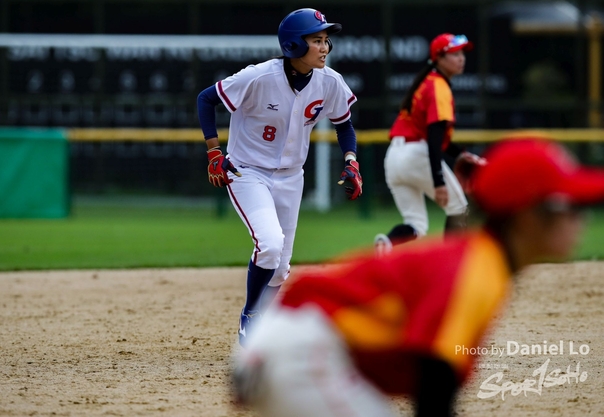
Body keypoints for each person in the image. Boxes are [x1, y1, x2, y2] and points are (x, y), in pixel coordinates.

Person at [232, 137, 604, 417]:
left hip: (298, 348)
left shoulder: (482, 262)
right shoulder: (478, 270)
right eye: (568, 207)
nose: (580, 219)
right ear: (526, 217)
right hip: (303, 356)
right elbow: (435, 379)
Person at [197, 8, 363, 347]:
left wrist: (351, 160)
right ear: (293, 45)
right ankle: (251, 316)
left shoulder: (329, 81)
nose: (325, 47)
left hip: (291, 177)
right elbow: (206, 99)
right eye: (316, 40)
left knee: (281, 266)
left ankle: (265, 324)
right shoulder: (258, 76)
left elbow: (344, 124)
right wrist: (214, 152)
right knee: (270, 245)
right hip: (247, 172)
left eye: (326, 40)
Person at [374, 33, 485, 255]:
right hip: (417, 155)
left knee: (415, 224)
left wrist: (459, 154)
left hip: (394, 157)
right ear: (439, 58)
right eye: (454, 54)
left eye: (462, 53)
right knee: (458, 208)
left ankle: (387, 245)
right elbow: (434, 137)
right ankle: (449, 262)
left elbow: (434, 136)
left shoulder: (426, 83)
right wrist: (439, 181)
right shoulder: (439, 87)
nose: (461, 58)